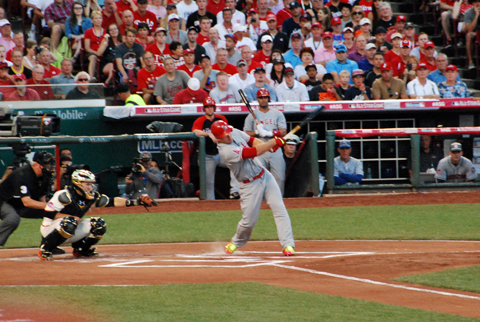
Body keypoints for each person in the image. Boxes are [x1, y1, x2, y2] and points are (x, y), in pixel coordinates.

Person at [211, 120, 295, 256]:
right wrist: (272, 143)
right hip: (249, 185)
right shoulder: (225, 151)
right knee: (248, 222)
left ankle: (288, 245)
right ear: (218, 138)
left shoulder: (233, 132)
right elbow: (252, 152)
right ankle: (236, 242)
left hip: (264, 175)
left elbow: (252, 141)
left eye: (228, 132)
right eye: (225, 135)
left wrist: (267, 145)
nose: (229, 136)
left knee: (279, 208)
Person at [37, 169, 109, 260]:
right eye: (87, 184)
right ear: (78, 183)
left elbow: (112, 202)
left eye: (91, 184)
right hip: (50, 229)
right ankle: (46, 249)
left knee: (99, 223)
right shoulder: (64, 195)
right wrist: (70, 217)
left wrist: (129, 202)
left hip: (73, 226)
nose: (90, 187)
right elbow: (48, 214)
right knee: (70, 222)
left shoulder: (91, 196)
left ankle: (82, 249)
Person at [0, 151, 54, 247]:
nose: (48, 167)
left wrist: (49, 210)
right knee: (12, 219)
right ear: (36, 164)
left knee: (53, 214)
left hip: (18, 203)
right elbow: (27, 202)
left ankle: (49, 245)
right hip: (3, 201)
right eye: (45, 164)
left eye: (49, 164)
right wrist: (50, 205)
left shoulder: (44, 177)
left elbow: (42, 198)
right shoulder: (23, 174)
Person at [192, 98, 240, 200]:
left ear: (215, 108)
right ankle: (211, 207)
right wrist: (208, 133)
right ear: (204, 109)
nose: (209, 109)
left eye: (211, 107)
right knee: (209, 184)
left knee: (236, 161)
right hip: (207, 155)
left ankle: (235, 191)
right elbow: (195, 132)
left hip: (221, 153)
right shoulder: (200, 120)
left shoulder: (221, 118)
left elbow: (229, 132)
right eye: (207, 107)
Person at [243, 88, 287, 194]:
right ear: (257, 99)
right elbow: (245, 134)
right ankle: (261, 201)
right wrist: (256, 132)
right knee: (258, 177)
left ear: (269, 98)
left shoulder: (277, 113)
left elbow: (284, 131)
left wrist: (270, 133)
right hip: (260, 148)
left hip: (274, 147)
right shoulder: (251, 115)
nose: (263, 100)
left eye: (265, 97)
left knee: (279, 178)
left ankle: (278, 200)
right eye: (261, 98)